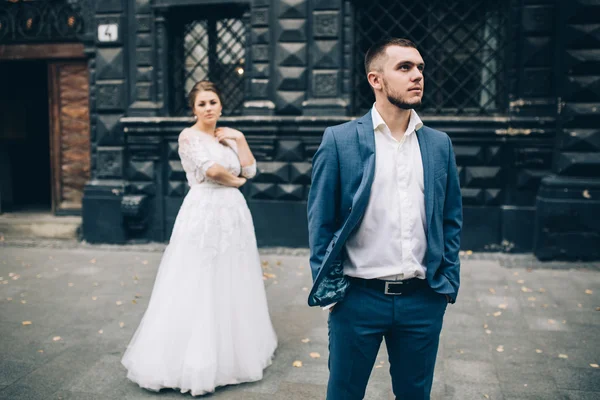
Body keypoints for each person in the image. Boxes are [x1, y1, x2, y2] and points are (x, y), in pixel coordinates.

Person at [307, 38, 462, 399]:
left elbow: (450, 218)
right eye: (404, 68)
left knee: (414, 394)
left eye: (420, 67)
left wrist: (447, 283)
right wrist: (331, 294)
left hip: (423, 300)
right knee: (344, 393)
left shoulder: (439, 145)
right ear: (376, 79)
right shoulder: (339, 141)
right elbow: (320, 222)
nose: (417, 76)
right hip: (358, 298)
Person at [122, 80, 277, 396]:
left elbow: (251, 170)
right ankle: (192, 358)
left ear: (221, 106)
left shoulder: (227, 136)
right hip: (204, 209)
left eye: (213, 102)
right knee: (200, 274)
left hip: (234, 213)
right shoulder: (188, 136)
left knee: (234, 273)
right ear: (194, 109)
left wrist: (240, 138)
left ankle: (233, 351)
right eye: (202, 103)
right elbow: (212, 171)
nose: (208, 108)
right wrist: (235, 182)